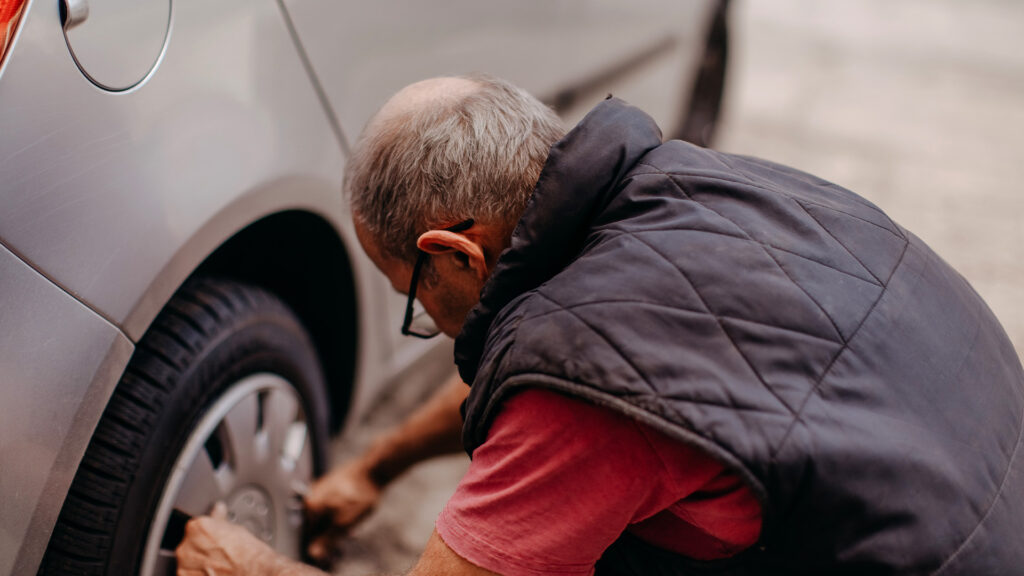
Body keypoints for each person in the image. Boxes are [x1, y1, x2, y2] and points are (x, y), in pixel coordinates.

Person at [176, 74, 1024, 575]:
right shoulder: (691, 186)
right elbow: (590, 360)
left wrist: (249, 567)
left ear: (456, 255)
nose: (427, 321)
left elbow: (581, 384)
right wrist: (377, 467)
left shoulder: (585, 384)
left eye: (413, 300)